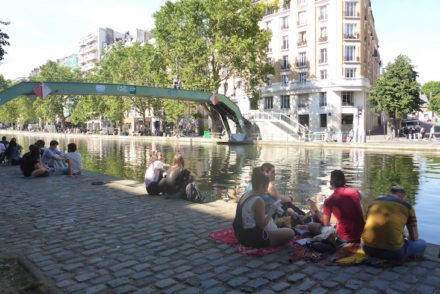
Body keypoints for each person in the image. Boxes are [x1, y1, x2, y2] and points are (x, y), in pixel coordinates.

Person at [233, 167, 295, 248]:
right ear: (262, 185)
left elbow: (249, 211)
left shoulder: (246, 195)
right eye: (266, 187)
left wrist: (265, 207)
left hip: (239, 234)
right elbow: (262, 225)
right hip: (251, 238)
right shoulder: (258, 200)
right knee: (290, 233)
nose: (266, 190)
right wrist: (272, 210)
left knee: (276, 226)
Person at [361, 186, 426, 260]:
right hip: (394, 253)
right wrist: (406, 235)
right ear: (404, 198)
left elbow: (367, 223)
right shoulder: (408, 207)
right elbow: (414, 237)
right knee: (422, 243)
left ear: (388, 194)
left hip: (366, 247)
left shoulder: (373, 202)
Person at [299, 170, 365, 243]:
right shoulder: (355, 191)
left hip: (344, 237)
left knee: (312, 226)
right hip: (362, 234)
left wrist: (315, 210)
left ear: (331, 183)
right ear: (345, 181)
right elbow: (358, 200)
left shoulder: (329, 201)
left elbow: (326, 224)